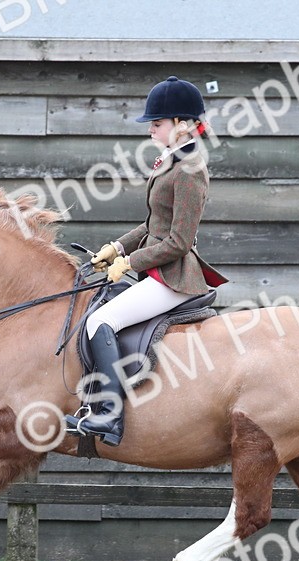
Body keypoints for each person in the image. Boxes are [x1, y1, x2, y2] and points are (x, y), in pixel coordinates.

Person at [65, 76, 229, 447]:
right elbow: (153, 223)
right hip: (156, 270)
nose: (151, 129)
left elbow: (179, 240)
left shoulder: (190, 171)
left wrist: (131, 263)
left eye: (157, 123)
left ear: (182, 124)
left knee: (102, 320)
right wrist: (116, 249)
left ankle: (108, 415)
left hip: (175, 278)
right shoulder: (170, 162)